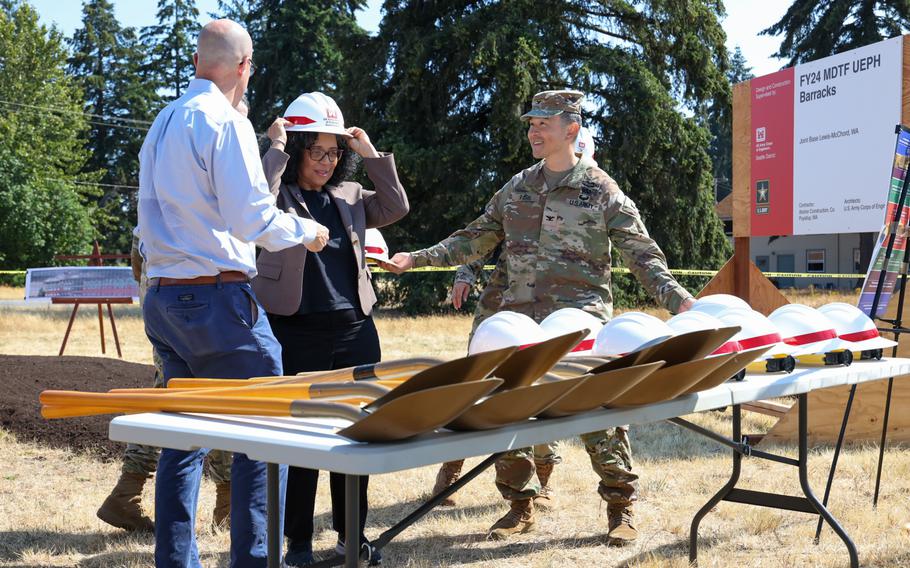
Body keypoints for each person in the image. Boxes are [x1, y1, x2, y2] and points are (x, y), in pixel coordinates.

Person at [382, 89, 694, 545]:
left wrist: (680, 301)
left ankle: (620, 508)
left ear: (571, 129)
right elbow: (475, 237)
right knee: (505, 412)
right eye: (530, 123)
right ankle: (520, 504)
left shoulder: (601, 190)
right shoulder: (517, 188)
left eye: (542, 123)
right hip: (517, 319)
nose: (533, 131)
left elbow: (642, 255)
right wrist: (418, 258)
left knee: (595, 411)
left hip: (578, 322)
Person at [137, 19, 329, 568]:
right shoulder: (225, 123)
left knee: (183, 435)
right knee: (267, 434)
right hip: (220, 299)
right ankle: (256, 560)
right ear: (245, 67)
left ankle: (176, 561)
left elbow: (152, 212)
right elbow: (251, 220)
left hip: (166, 298)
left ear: (200, 63)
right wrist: (306, 232)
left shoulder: (165, 119)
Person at [252, 92, 408, 566]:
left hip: (356, 329)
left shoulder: (351, 196)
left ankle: (351, 536)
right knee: (302, 443)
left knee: (356, 438)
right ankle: (297, 543)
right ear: (298, 149)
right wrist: (275, 149)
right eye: (316, 150)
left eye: (333, 152)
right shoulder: (277, 195)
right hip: (295, 330)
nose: (326, 161)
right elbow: (253, 198)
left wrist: (370, 155)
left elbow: (397, 206)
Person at [95, 94, 252, 535]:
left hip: (166, 311)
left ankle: (126, 494)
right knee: (209, 404)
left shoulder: (158, 198)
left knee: (172, 403)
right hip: (202, 308)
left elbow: (139, 265)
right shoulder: (203, 199)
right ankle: (223, 502)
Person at [433, 126, 600, 508]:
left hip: (554, 313)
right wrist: (464, 274)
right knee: (473, 385)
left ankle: (544, 480)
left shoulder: (591, 194)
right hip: (501, 308)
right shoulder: (525, 191)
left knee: (542, 388)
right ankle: (449, 471)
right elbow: (481, 237)